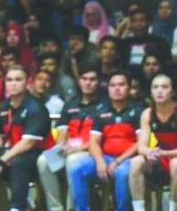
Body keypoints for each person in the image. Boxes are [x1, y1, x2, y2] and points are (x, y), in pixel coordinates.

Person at [0, 64, 51, 211]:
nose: (13, 83)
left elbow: (28, 143)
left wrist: (2, 161)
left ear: (27, 82)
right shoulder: (4, 106)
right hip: (12, 151)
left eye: (18, 79)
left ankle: (17, 207)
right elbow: (1, 136)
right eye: (9, 80)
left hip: (37, 153)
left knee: (18, 162)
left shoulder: (36, 107)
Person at [69, 70, 142, 211]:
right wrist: (100, 161)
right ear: (108, 89)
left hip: (128, 159)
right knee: (76, 169)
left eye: (121, 85)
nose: (117, 88)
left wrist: (117, 161)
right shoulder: (100, 111)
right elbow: (93, 142)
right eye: (113, 85)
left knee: (122, 173)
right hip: (106, 158)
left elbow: (140, 142)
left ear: (129, 88)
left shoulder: (138, 111)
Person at [37, 64, 105, 211]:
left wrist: (80, 148)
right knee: (44, 161)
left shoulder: (104, 105)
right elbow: (62, 132)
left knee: (72, 160)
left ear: (98, 82)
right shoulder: (70, 104)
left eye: (92, 79)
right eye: (84, 79)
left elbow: (103, 137)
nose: (88, 83)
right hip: (69, 149)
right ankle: (55, 208)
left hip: (90, 151)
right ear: (79, 81)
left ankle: (72, 208)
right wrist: (62, 146)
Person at [129, 74, 177, 211]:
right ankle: (139, 209)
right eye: (155, 87)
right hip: (160, 159)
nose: (159, 91)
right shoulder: (147, 113)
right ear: (151, 92)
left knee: (176, 163)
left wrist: (163, 153)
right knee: (136, 162)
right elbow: (141, 146)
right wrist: (148, 152)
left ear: (172, 91)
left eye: (164, 87)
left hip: (173, 158)